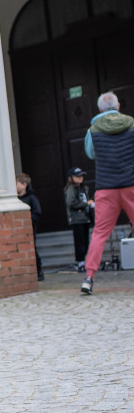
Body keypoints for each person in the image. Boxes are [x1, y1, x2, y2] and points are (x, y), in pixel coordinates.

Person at [81, 91, 134, 295]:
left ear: (100, 110)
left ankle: (89, 278)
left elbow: (91, 153)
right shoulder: (131, 123)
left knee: (100, 234)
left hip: (106, 188)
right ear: (118, 106)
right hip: (131, 185)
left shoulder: (92, 130)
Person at [64, 167, 94, 272]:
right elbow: (71, 203)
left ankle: (85, 261)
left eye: (81, 176)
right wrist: (86, 204)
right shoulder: (71, 189)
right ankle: (81, 262)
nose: (80, 178)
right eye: (77, 176)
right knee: (80, 241)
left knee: (85, 241)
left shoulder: (83, 188)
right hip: (77, 219)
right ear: (71, 178)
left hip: (85, 218)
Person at [16, 174, 44, 282]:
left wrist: (28, 223)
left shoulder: (31, 198)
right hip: (18, 229)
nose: (15, 186)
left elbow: (37, 213)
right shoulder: (16, 199)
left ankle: (39, 271)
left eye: (16, 183)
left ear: (24, 185)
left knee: (33, 248)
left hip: (30, 228)